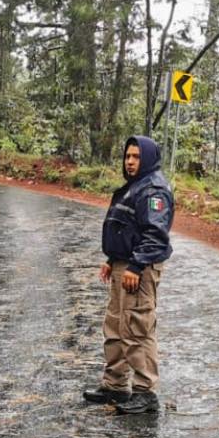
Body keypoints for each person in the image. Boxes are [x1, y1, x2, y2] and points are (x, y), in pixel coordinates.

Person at [83, 135, 174, 414]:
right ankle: (116, 385)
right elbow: (127, 228)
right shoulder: (134, 187)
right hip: (124, 265)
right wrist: (113, 260)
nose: (130, 161)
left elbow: (155, 235)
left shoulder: (153, 190)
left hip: (140, 270)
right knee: (115, 326)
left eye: (136, 157)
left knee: (137, 328)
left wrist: (136, 265)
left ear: (147, 158)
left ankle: (145, 392)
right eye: (127, 156)